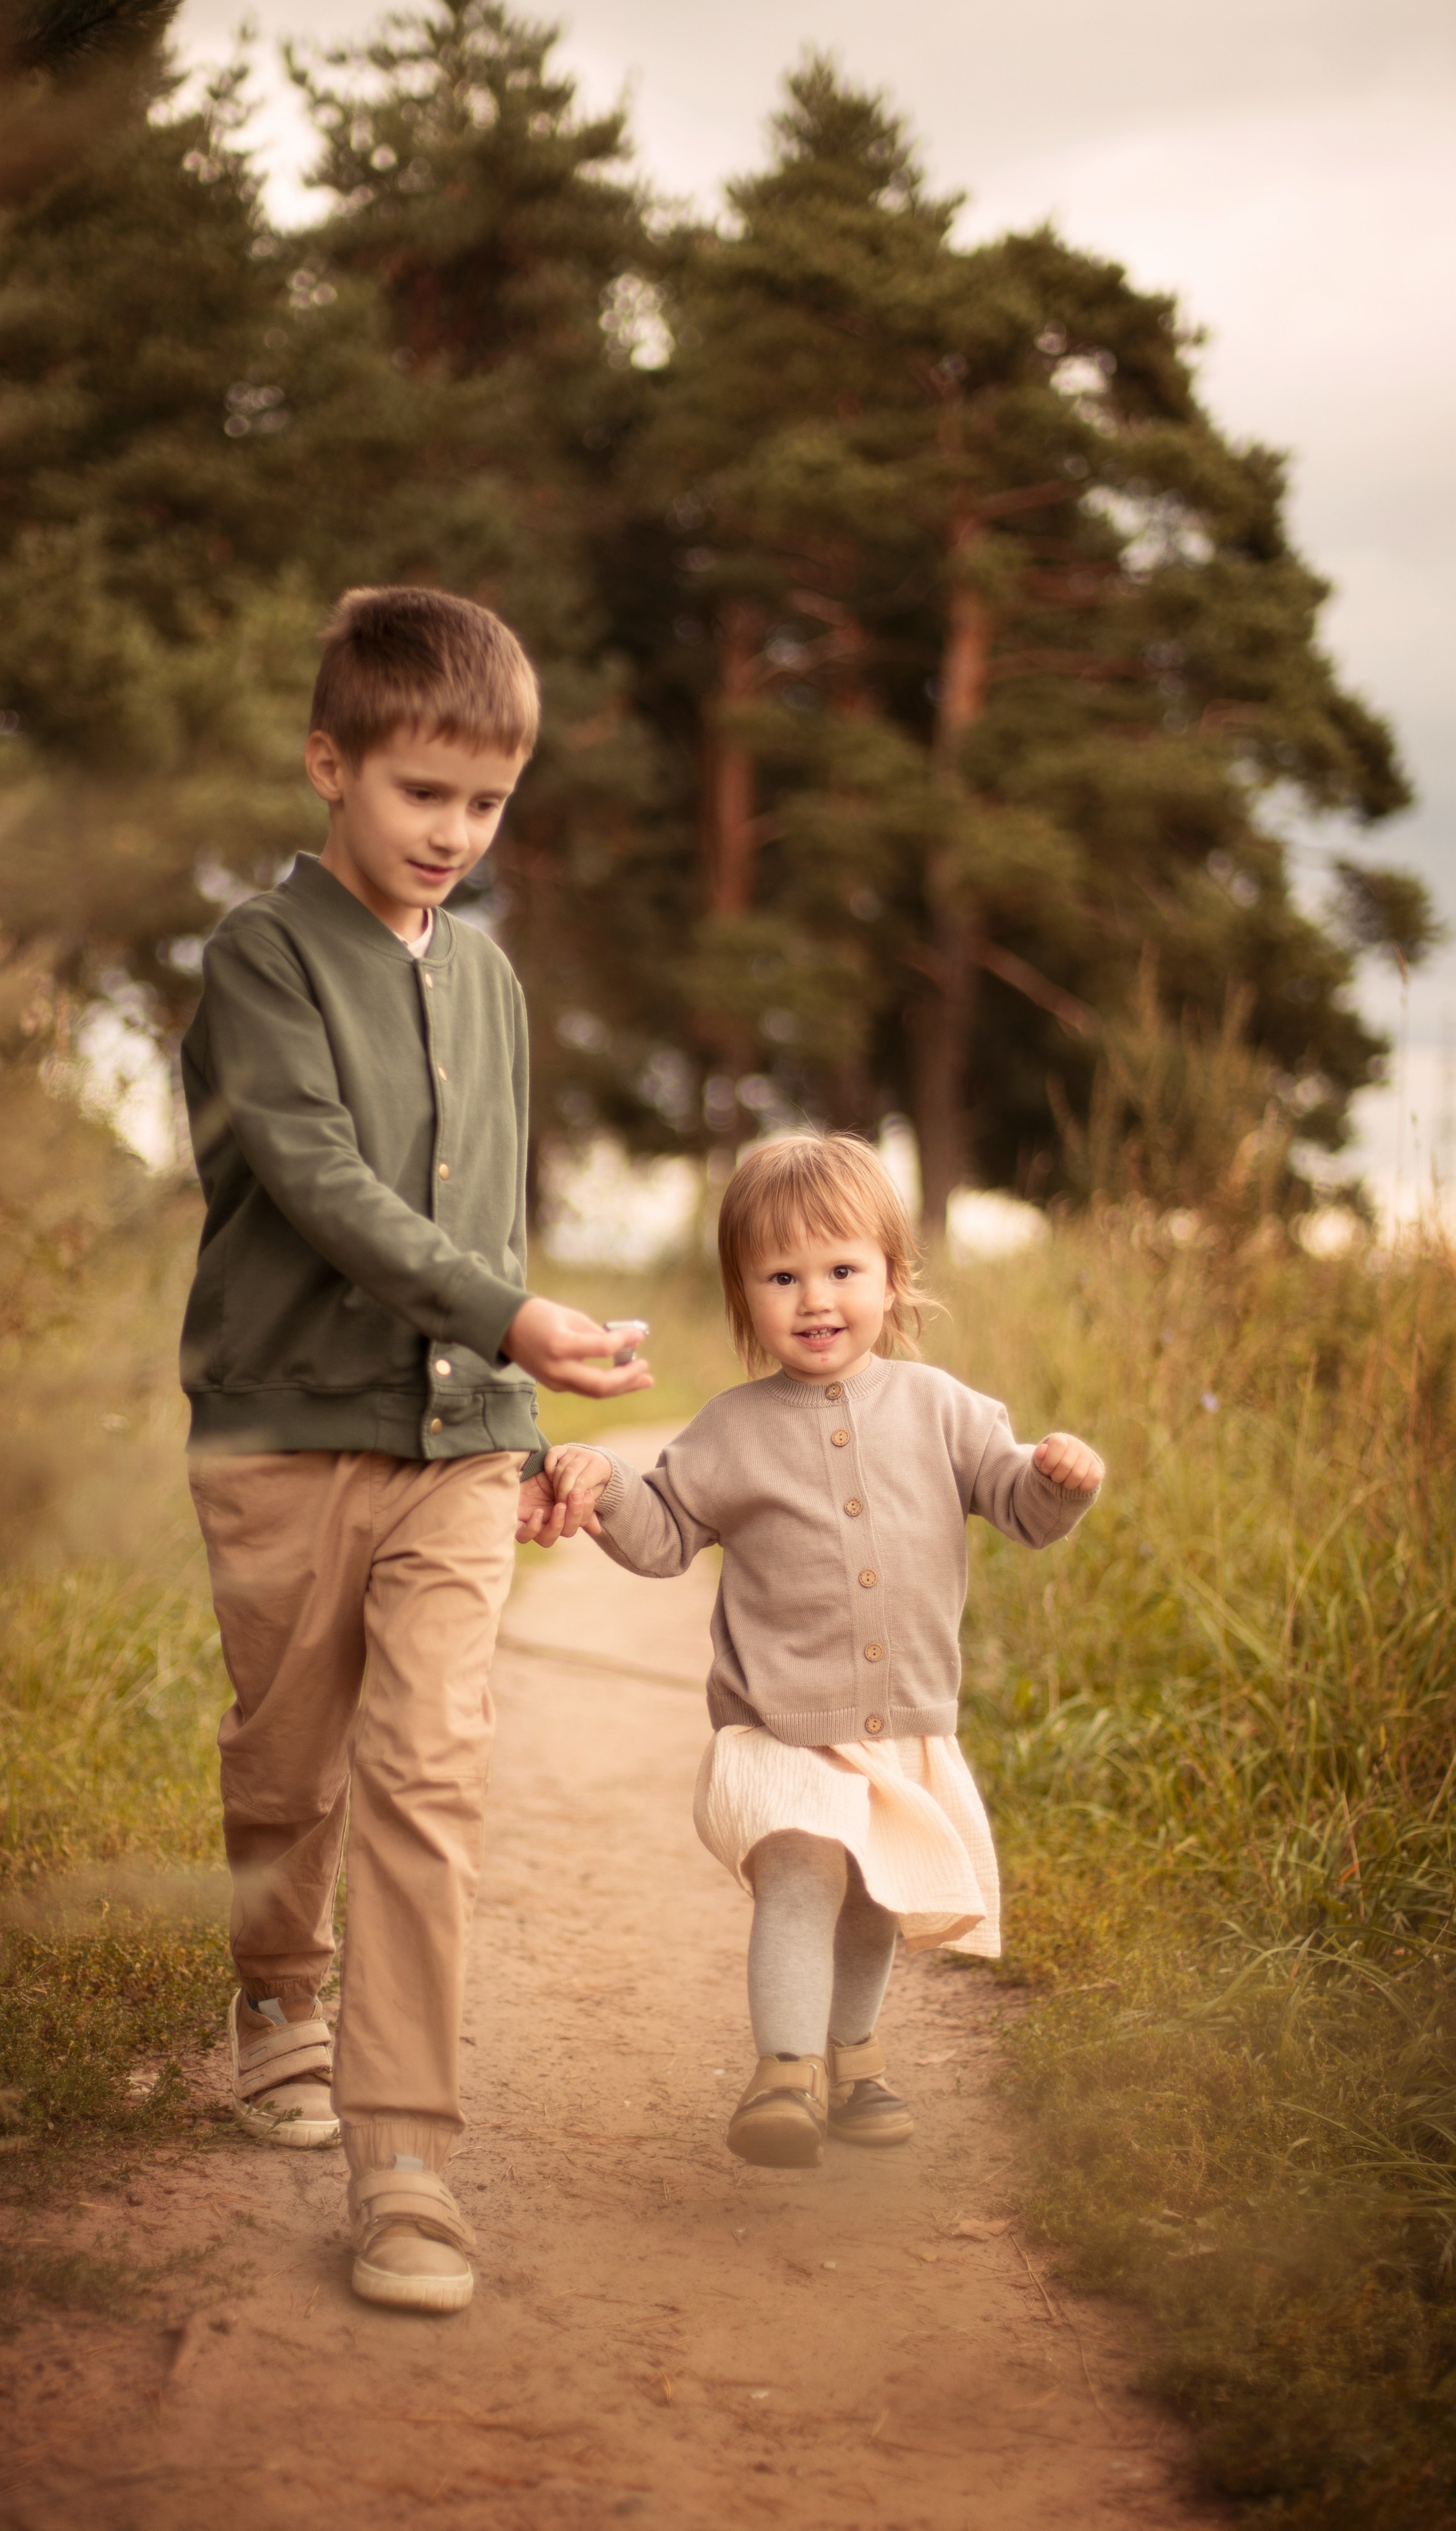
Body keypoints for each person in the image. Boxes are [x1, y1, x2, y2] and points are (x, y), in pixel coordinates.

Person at [178, 586, 651, 2311]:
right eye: (421, 792)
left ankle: (403, 2164)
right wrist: (510, 1321)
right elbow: (316, 1181)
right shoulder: (261, 957)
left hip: (452, 1451)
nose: (454, 833)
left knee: (428, 1772)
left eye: (487, 802)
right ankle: (276, 1990)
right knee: (286, 1765)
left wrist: (512, 1420)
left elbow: (488, 1215)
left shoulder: (493, 982)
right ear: (331, 765)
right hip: (283, 1439)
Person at [539, 1132, 1103, 2168]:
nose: (815, 1300)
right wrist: (606, 1482)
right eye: (781, 1277)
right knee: (801, 1874)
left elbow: (1021, 1507)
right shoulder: (729, 1430)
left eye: (843, 1270)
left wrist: (1059, 1481)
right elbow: (662, 1538)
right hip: (779, 1725)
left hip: (902, 1722)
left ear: (893, 1277)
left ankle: (857, 2058)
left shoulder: (944, 1410)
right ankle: (785, 2074)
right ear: (743, 1297)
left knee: (874, 1900)